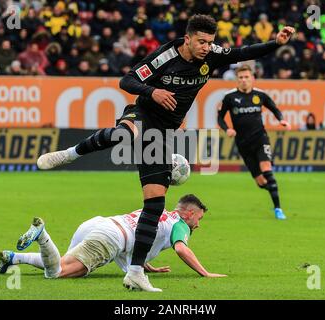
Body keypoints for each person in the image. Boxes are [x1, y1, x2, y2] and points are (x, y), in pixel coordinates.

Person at [36, 14, 295, 291]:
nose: (207, 47)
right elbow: (127, 81)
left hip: (161, 133)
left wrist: (275, 42)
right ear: (188, 39)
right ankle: (71, 153)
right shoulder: (164, 57)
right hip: (142, 112)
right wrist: (153, 92)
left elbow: (244, 52)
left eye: (210, 42)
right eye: (201, 42)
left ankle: (135, 272)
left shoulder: (212, 55)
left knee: (155, 204)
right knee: (125, 132)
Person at [0, 194, 226, 286]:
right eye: (199, 218)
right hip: (110, 238)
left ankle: (14, 258)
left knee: (61, 262)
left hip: (99, 224)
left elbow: (142, 236)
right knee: (56, 273)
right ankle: (42, 235)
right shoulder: (180, 224)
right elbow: (181, 250)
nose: (198, 224)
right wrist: (205, 273)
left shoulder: (160, 213)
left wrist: (145, 265)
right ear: (189, 213)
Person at [217, 64, 291, 220]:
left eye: (246, 77)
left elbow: (274, 108)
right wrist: (227, 129)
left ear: (252, 79)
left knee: (266, 168)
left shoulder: (260, 95)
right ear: (237, 80)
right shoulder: (229, 97)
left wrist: (282, 120)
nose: (244, 80)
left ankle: (278, 209)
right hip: (243, 144)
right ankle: (272, 188)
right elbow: (220, 117)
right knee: (260, 182)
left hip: (260, 139)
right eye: (241, 78)